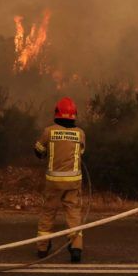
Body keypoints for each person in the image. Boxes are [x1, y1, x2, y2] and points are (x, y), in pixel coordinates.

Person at [34, 97, 86, 263]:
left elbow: (38, 150)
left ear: (57, 113)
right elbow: (81, 152)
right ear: (74, 115)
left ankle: (42, 248)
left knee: (48, 213)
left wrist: (47, 152)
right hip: (73, 183)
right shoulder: (80, 133)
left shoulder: (48, 131)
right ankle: (76, 247)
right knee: (73, 214)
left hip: (54, 183)